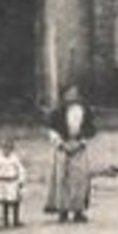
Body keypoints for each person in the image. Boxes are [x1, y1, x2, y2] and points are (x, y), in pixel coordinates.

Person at [44, 85, 97, 223]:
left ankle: (78, 210)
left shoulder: (85, 111)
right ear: (64, 95)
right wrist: (60, 144)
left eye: (75, 93)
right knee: (62, 179)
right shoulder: (56, 112)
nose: (72, 96)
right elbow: (51, 130)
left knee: (80, 180)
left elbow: (90, 129)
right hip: (62, 147)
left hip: (79, 148)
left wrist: (81, 142)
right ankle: (63, 211)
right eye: (69, 93)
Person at [0, 138, 27, 228]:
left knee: (16, 201)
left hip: (13, 182)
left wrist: (21, 181)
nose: (6, 151)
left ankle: (16, 220)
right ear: (1, 148)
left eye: (9, 148)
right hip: (2, 182)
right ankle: (6, 221)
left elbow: (21, 169)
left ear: (12, 149)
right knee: (5, 203)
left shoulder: (14, 158)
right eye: (4, 148)